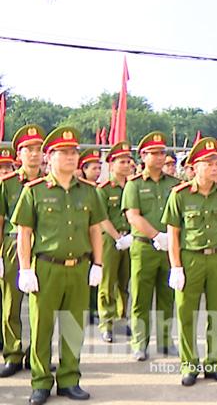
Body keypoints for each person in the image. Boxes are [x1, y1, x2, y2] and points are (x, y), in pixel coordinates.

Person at [12, 126, 105, 405]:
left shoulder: (89, 192)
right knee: (41, 328)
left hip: (78, 267)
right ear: (49, 157)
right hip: (46, 267)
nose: (71, 157)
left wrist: (98, 264)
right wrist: (26, 269)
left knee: (73, 325)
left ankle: (69, 380)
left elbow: (95, 230)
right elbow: (24, 233)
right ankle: (40, 382)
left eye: (74, 152)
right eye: (64, 152)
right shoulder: (35, 191)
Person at [163, 137, 217, 386]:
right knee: (186, 313)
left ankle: (215, 363)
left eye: (216, 162)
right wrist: (176, 266)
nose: (214, 167)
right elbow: (173, 233)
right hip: (190, 259)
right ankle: (189, 364)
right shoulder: (180, 195)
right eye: (208, 163)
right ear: (194, 167)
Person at [123, 131, 179, 361]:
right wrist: (157, 235)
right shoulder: (134, 185)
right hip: (144, 247)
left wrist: (170, 239)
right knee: (140, 298)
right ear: (143, 156)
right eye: (153, 153)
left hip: (169, 249)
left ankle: (166, 341)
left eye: (161, 153)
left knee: (167, 297)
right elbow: (133, 216)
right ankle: (140, 343)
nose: (159, 157)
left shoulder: (175, 185)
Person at [0, 124, 46, 378]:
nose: (34, 154)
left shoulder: (50, 182)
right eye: (28, 149)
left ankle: (37, 355)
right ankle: (13, 354)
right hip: (12, 244)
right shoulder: (7, 184)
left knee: (42, 306)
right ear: (19, 154)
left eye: (38, 149)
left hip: (44, 246)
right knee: (12, 304)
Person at [96, 141, 135, 343]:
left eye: (129, 161)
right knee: (107, 283)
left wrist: (128, 237)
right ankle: (106, 323)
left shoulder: (133, 187)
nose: (127, 165)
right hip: (110, 240)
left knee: (125, 282)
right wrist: (118, 238)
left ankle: (121, 320)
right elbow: (102, 218)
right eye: (122, 161)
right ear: (111, 165)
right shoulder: (103, 189)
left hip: (130, 238)